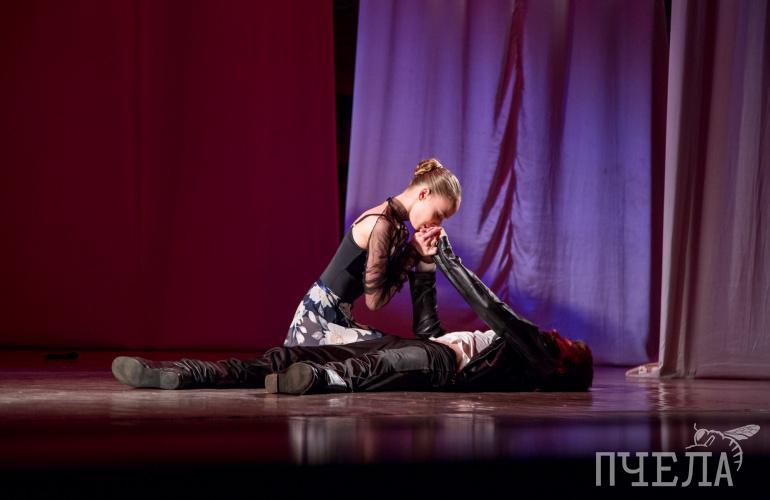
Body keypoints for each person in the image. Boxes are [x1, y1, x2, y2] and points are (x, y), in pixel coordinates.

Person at [111, 231, 593, 393]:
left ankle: (314, 382)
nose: (557, 333)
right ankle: (182, 374)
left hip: (442, 367)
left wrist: (449, 257)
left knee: (370, 367)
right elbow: (429, 328)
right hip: (426, 350)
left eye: (571, 343)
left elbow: (493, 310)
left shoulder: (540, 357)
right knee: (284, 356)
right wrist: (426, 264)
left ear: (565, 365)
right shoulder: (513, 351)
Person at [283, 157, 461, 347]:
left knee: (404, 351)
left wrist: (416, 252)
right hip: (316, 322)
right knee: (401, 351)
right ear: (423, 194)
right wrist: (412, 251)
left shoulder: (395, 223)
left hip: (335, 317)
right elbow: (375, 301)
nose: (437, 224)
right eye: (439, 214)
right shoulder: (382, 224)